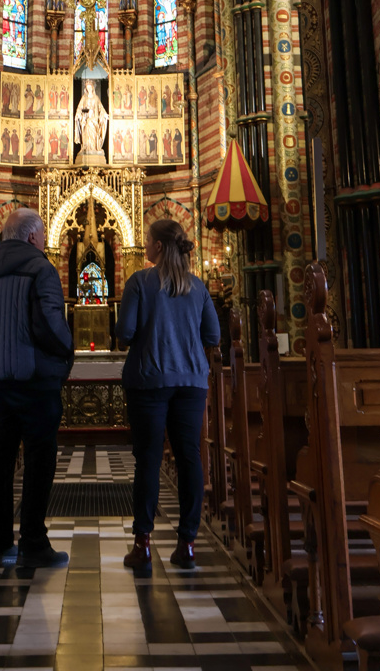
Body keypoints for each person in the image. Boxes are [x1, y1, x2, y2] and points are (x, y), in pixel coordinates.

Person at [0, 208, 74, 568]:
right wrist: (65, 356)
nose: (44, 243)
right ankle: (33, 544)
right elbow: (50, 326)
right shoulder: (41, 269)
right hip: (36, 378)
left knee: (1, 458)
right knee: (40, 460)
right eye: (42, 236)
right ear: (31, 237)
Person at [116, 219, 220, 575]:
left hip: (149, 381)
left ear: (158, 247)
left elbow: (125, 333)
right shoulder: (198, 287)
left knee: (148, 460)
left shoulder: (140, 282)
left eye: (147, 239)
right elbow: (213, 335)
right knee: (189, 458)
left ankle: (142, 544)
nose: (144, 244)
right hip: (191, 381)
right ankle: (187, 543)